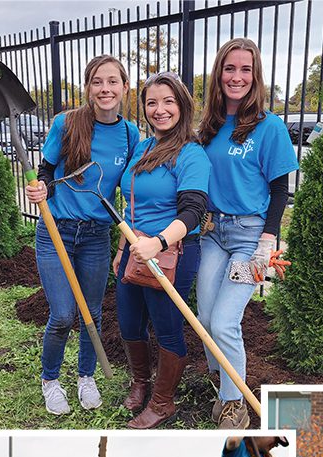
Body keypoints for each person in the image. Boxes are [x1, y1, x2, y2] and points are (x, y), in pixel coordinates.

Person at [26, 55, 138, 416]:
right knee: (62, 314)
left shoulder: (129, 134)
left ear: (124, 87)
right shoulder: (67, 123)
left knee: (92, 312)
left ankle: (85, 376)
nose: (105, 89)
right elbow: (45, 170)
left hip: (95, 236)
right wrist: (41, 188)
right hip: (56, 231)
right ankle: (50, 379)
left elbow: (134, 188)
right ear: (88, 88)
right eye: (97, 82)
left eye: (112, 81)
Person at [196, 38, 299, 427]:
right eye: (230, 68)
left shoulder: (269, 126)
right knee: (205, 315)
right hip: (212, 233)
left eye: (245, 69)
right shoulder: (208, 126)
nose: (237, 77)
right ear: (218, 73)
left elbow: (279, 189)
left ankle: (234, 401)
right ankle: (220, 376)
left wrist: (267, 242)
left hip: (250, 238)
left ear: (255, 76)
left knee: (224, 320)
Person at [116, 72, 210, 428]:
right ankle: (141, 382)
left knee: (167, 327)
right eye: (152, 103)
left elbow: (193, 210)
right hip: (135, 249)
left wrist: (157, 243)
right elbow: (132, 204)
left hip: (172, 254)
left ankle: (163, 400)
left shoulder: (191, 153)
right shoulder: (143, 147)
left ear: (182, 105)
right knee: (128, 322)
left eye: (168, 101)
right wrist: (124, 247)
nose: (160, 110)